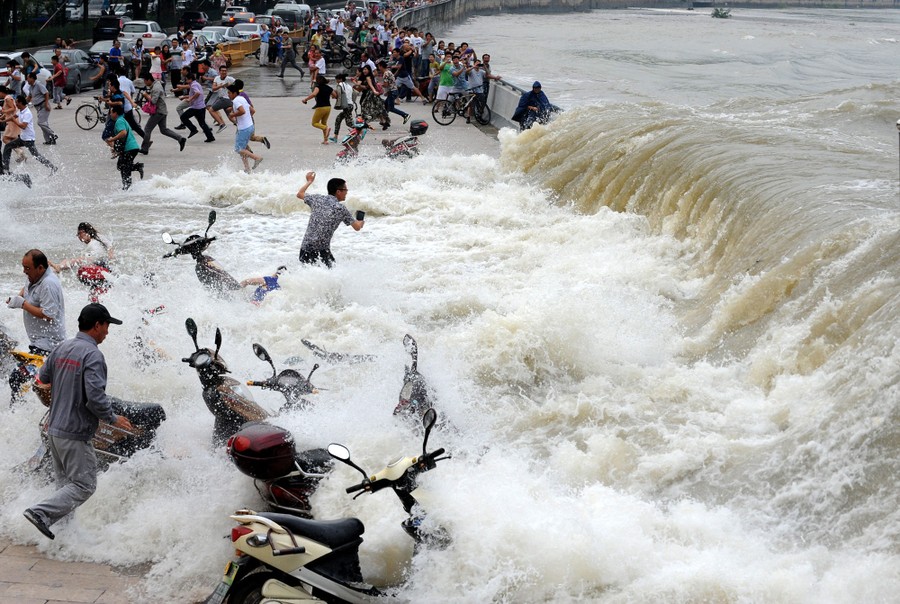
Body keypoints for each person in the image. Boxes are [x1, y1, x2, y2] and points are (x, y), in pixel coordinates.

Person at [23, 303, 134, 540]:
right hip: (74, 433)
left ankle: (64, 540)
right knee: (84, 486)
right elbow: (95, 398)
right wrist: (113, 418)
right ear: (97, 325)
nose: (107, 332)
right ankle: (40, 513)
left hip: (54, 429)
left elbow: (42, 380)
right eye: (106, 326)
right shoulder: (93, 355)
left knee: (64, 489)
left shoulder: (61, 347)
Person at [6, 250, 66, 405]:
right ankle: (21, 409)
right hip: (38, 345)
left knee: (18, 378)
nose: (24, 271)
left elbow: (49, 314)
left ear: (40, 268)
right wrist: (17, 298)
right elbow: (25, 291)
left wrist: (23, 304)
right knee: (25, 382)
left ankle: (17, 412)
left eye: (27, 268)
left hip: (49, 347)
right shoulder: (33, 277)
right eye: (23, 267)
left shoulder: (49, 284)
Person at [295, 171, 364, 268]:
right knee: (332, 275)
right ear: (338, 191)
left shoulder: (317, 199)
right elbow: (357, 227)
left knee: (309, 276)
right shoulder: (340, 208)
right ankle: (279, 274)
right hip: (321, 251)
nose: (346, 192)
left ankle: (281, 276)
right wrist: (361, 221)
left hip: (305, 248)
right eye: (345, 190)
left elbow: (299, 194)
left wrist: (309, 181)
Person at [50, 222, 114, 303]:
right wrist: (110, 256)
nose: (79, 238)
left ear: (82, 232)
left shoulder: (93, 243)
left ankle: (58, 268)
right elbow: (109, 245)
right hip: (104, 271)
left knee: (76, 261)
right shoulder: (97, 238)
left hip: (99, 264)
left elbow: (107, 247)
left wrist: (110, 255)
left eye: (78, 234)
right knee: (94, 296)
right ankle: (58, 268)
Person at [1, 95, 57, 175]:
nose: (15, 104)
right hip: (23, 138)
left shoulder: (27, 113)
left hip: (28, 140)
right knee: (7, 147)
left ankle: (52, 167)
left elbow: (23, 126)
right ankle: (5, 168)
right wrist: (3, 120)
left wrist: (14, 120)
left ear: (21, 103)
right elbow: (13, 116)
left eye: (16, 103)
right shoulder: (20, 110)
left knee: (36, 156)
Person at [139, 71, 186, 155]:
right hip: (162, 110)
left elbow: (153, 101)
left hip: (158, 111)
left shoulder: (156, 87)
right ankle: (180, 138)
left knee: (147, 129)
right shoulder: (156, 84)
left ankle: (144, 148)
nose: (145, 83)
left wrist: (146, 96)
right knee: (164, 130)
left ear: (149, 80)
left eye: (145, 81)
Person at [226, 83, 263, 173]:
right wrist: (246, 119)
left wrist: (232, 115)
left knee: (239, 149)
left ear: (234, 93)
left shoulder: (236, 101)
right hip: (250, 126)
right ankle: (247, 169)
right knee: (243, 148)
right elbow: (252, 110)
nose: (228, 95)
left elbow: (242, 111)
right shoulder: (242, 98)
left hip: (244, 129)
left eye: (229, 93)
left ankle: (257, 158)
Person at [105, 104, 143, 190]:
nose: (110, 114)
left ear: (116, 113)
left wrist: (111, 139)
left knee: (124, 167)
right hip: (131, 148)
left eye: (111, 112)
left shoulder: (119, 121)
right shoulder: (122, 119)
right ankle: (128, 182)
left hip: (130, 148)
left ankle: (127, 187)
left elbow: (123, 133)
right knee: (121, 166)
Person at [179, 71, 215, 142]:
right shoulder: (196, 84)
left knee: (183, 117)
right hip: (201, 107)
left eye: (187, 79)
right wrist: (184, 97)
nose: (186, 81)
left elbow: (197, 93)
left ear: (190, 79)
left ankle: (193, 129)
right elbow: (196, 93)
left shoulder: (193, 85)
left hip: (196, 108)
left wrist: (190, 99)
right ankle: (210, 137)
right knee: (202, 123)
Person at [24, 71, 57, 145]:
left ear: (32, 78)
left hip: (43, 106)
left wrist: (46, 104)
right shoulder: (31, 87)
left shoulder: (38, 84)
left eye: (28, 78)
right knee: (44, 124)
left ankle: (53, 134)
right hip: (38, 107)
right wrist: (23, 102)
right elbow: (29, 96)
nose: (27, 80)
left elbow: (46, 93)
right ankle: (49, 140)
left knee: (40, 122)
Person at [301, 75, 334, 144]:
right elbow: (335, 95)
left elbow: (314, 94)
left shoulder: (318, 87)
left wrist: (305, 99)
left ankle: (326, 129)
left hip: (321, 107)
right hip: (328, 107)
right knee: (323, 123)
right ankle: (325, 140)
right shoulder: (329, 88)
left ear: (318, 81)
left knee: (314, 123)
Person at [207, 65, 235, 132]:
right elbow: (213, 89)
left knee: (211, 110)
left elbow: (239, 85)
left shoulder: (230, 79)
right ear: (219, 71)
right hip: (222, 98)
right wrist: (221, 86)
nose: (224, 72)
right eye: (222, 71)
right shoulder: (216, 78)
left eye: (225, 71)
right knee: (230, 117)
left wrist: (233, 90)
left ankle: (222, 124)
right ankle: (241, 126)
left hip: (225, 99)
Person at [329, 72, 354, 143]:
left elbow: (338, 94)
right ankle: (335, 137)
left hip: (347, 106)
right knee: (338, 119)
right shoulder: (348, 85)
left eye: (336, 80)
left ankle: (361, 129)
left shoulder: (340, 84)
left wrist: (333, 95)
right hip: (350, 105)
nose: (336, 82)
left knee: (349, 123)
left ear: (340, 79)